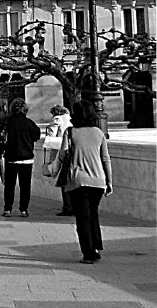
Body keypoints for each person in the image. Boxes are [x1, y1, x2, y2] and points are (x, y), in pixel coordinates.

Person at [57, 101, 112, 264]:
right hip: (98, 180)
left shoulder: (70, 132)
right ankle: (95, 248)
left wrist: (53, 169)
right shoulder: (98, 132)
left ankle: (88, 252)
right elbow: (105, 159)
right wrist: (109, 181)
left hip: (78, 180)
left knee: (82, 217)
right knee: (93, 214)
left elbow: (62, 154)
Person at [0, 98, 41, 218]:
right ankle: (24, 209)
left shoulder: (7, 121)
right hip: (26, 158)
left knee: (9, 185)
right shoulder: (29, 123)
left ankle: (7, 208)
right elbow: (36, 135)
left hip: (11, 157)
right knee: (25, 185)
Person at [47, 105, 74, 216]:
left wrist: (49, 128)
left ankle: (67, 207)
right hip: (71, 151)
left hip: (60, 150)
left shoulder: (58, 119)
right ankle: (73, 205)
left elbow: (52, 135)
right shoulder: (70, 119)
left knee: (64, 180)